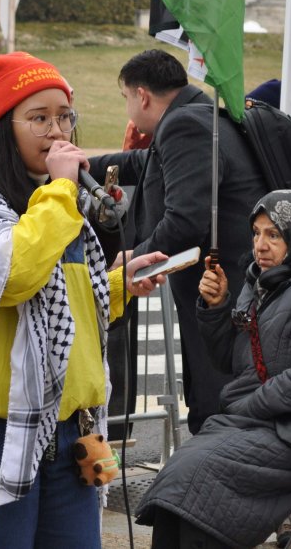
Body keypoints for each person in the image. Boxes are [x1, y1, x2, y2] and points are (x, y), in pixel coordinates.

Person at [0, 51, 169, 548]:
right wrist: (60, 189)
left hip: (71, 434)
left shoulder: (59, 199)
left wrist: (119, 284)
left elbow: (67, 301)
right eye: (38, 118)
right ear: (2, 128)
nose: (57, 131)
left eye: (64, 117)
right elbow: (15, 276)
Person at [136, 189, 291, 548]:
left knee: (199, 482)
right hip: (260, 422)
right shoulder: (261, 282)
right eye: (256, 233)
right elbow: (229, 358)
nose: (260, 245)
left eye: (273, 234)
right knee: (180, 480)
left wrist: (250, 404)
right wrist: (217, 306)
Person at [88, 49, 267, 434]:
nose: (128, 108)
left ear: (143, 96)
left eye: (126, 99)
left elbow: (186, 220)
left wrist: (136, 258)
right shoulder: (197, 114)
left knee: (222, 412)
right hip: (229, 288)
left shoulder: (185, 126)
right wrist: (85, 167)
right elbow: (144, 165)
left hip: (224, 296)